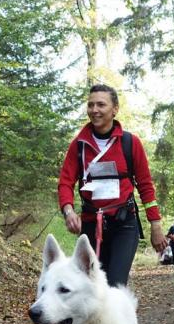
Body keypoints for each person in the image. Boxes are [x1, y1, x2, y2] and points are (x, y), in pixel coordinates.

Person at [58, 83, 167, 286]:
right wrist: (68, 211)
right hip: (90, 224)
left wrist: (156, 225)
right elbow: (65, 182)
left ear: (115, 109)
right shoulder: (78, 145)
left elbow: (145, 186)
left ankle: (121, 317)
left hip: (123, 225)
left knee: (116, 284)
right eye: (91, 105)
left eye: (101, 104)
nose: (94, 110)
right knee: (92, 285)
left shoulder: (130, 143)